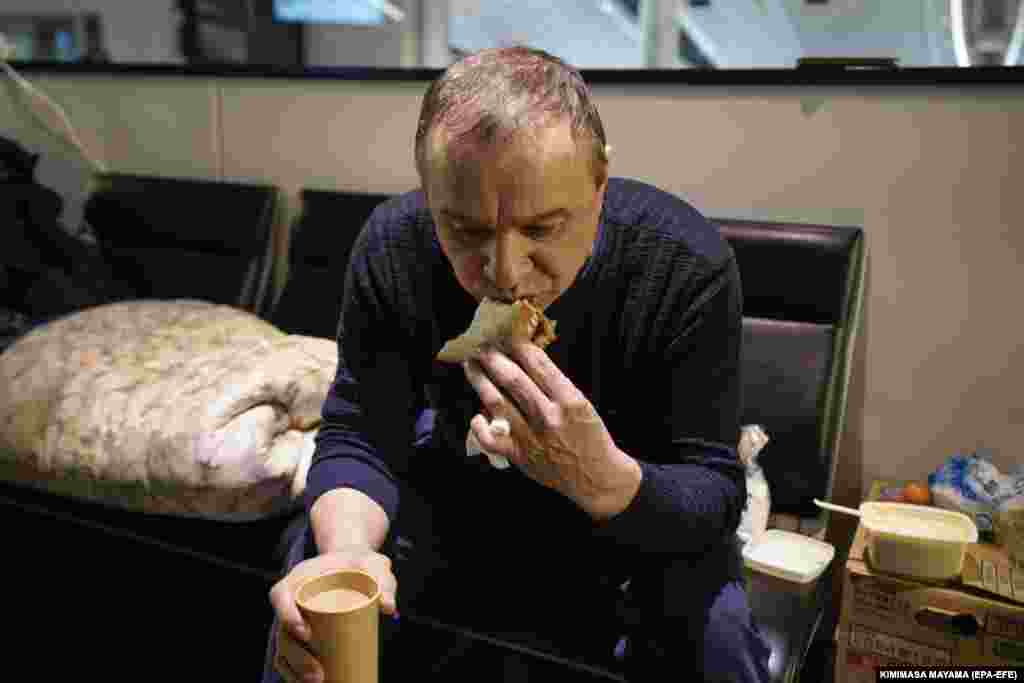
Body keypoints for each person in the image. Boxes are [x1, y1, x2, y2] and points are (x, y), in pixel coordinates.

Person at [264, 46, 770, 682]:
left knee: (718, 640)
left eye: (545, 227)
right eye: (465, 230)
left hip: (635, 538)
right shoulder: (393, 245)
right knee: (319, 587)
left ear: (599, 182)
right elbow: (362, 432)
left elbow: (714, 491)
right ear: (428, 196)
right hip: (457, 516)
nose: (503, 274)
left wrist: (599, 476)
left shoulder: (683, 262)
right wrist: (349, 554)